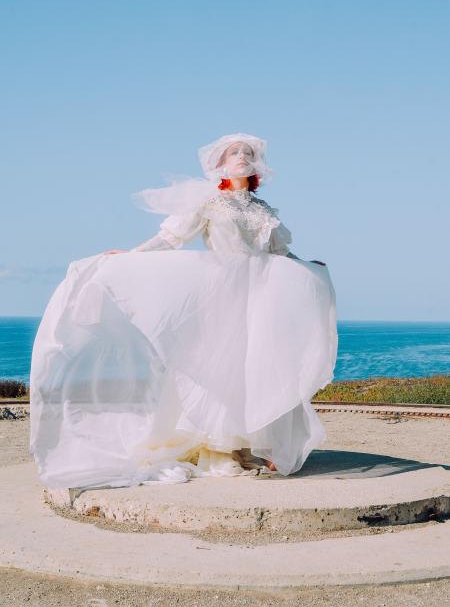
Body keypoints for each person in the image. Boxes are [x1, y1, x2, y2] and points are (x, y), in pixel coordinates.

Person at [29, 133, 338, 489]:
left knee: (251, 370)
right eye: (234, 152)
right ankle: (219, 451)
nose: (241, 156)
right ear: (220, 163)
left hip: (259, 299)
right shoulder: (209, 202)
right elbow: (170, 239)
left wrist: (309, 268)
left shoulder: (262, 209)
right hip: (221, 295)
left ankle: (243, 448)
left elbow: (280, 254)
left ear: (257, 166)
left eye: (247, 153)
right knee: (220, 370)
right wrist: (131, 255)